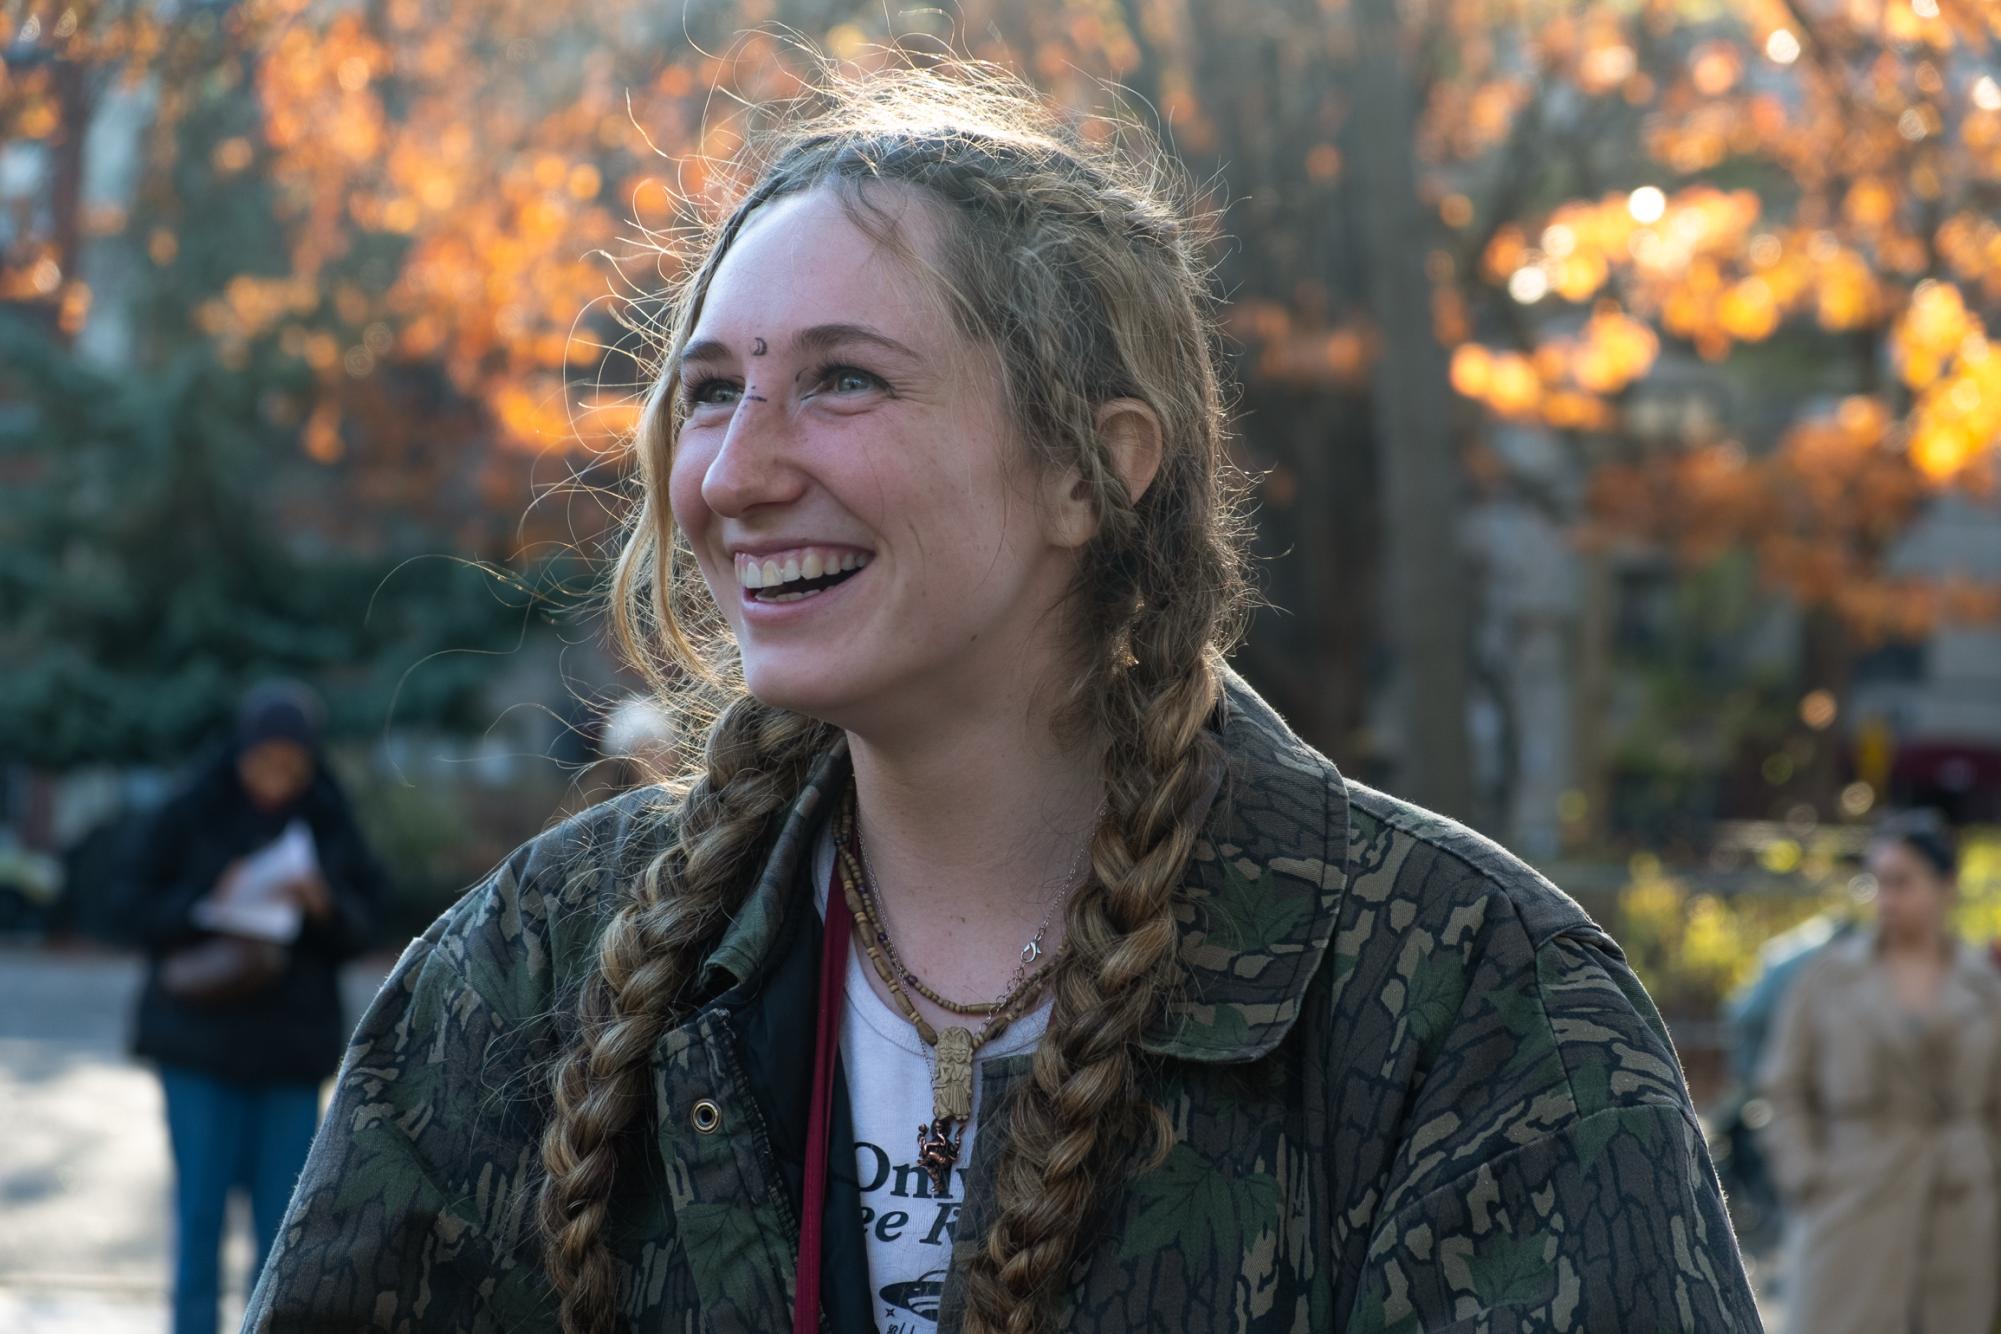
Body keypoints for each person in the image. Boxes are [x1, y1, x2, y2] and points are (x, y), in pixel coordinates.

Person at [246, 63, 1759, 1333]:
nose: (736, 471)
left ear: (1090, 469)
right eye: (712, 388)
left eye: (842, 379)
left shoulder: (1466, 1004)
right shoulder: (534, 971)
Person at [130, 681, 385, 1334]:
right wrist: (205, 897)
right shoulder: (192, 809)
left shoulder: (328, 815)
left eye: (290, 766)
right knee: (199, 1219)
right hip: (197, 1046)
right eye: (264, 762)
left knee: (284, 1228)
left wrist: (321, 902)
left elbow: (370, 921)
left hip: (289, 1053)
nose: (277, 779)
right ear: (240, 754)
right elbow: (124, 906)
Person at [1757, 810, 2001, 1334]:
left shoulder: (1985, 987)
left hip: (1958, 1211)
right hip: (1852, 1200)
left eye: (1902, 882)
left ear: (1946, 887)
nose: (1886, 898)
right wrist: (1805, 1176)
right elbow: (1783, 1087)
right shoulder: (1828, 978)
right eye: (1878, 882)